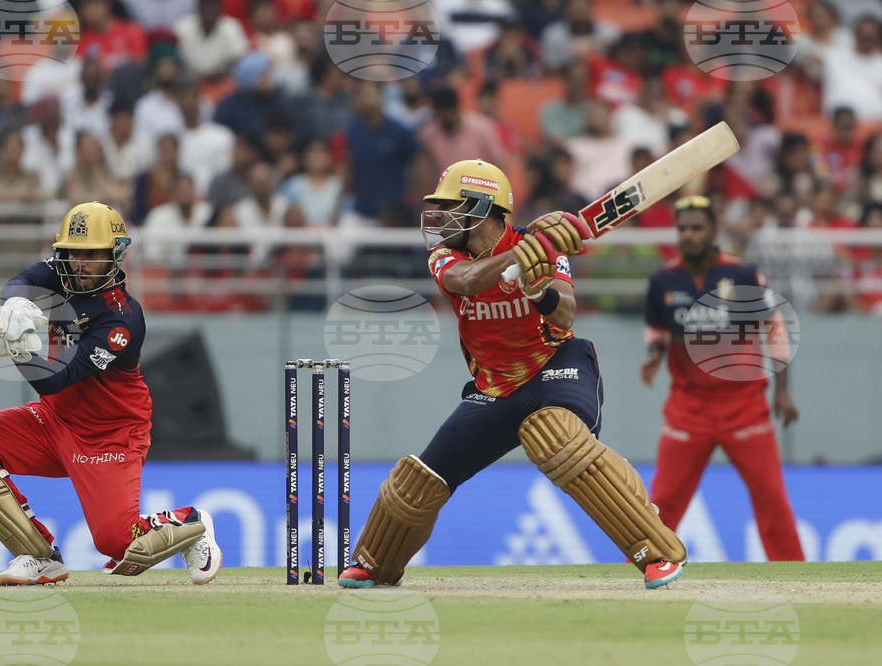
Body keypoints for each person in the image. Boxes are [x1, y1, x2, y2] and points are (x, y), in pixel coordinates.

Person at [337, 159, 687, 590]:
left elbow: (566, 313)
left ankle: (657, 553)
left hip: (556, 366)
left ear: (480, 207)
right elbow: (466, 280)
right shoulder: (448, 255)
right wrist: (521, 256)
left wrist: (538, 291)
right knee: (419, 479)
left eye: (449, 206)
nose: (440, 217)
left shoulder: (543, 246)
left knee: (556, 438)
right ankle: (374, 565)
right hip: (495, 386)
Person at [0, 202, 222, 586]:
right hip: (54, 420)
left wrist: (18, 349)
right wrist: (14, 304)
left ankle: (191, 522)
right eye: (72, 253)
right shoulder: (63, 272)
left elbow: (57, 379)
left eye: (92, 255)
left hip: (109, 434)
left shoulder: (122, 319)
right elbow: (22, 282)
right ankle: (40, 555)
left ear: (114, 255)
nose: (80, 264)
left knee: (116, 541)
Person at [640, 195, 804, 562]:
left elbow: (775, 329)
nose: (688, 235)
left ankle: (798, 577)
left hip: (743, 405)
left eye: (697, 228)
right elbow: (656, 326)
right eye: (683, 229)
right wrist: (654, 354)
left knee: (771, 497)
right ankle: (645, 571)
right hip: (688, 408)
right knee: (662, 503)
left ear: (714, 232)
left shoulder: (744, 275)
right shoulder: (663, 279)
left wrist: (782, 392)